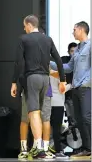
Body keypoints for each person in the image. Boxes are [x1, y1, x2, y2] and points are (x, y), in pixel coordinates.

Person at [11, 15, 65, 159]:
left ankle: (38, 147)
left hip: (32, 78)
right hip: (46, 79)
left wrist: (14, 82)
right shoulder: (47, 39)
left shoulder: (23, 39)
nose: (24, 29)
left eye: (24, 26)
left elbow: (19, 63)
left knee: (33, 112)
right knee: (45, 116)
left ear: (29, 25)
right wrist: (62, 80)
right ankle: (44, 148)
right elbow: (58, 59)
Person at [50, 21, 91, 158]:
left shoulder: (90, 46)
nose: (72, 32)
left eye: (74, 30)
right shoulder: (78, 48)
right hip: (76, 88)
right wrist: (48, 62)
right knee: (79, 119)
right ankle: (86, 148)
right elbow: (68, 67)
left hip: (86, 88)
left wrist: (87, 82)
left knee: (86, 118)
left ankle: (90, 146)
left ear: (81, 30)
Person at [18, 84, 54, 160]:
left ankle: (44, 148)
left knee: (45, 119)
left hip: (44, 86)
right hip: (29, 86)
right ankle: (24, 150)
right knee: (25, 118)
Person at [49, 72, 72, 159]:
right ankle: (58, 150)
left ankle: (46, 149)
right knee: (56, 128)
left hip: (48, 103)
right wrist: (71, 85)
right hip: (58, 103)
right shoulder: (60, 76)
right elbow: (62, 89)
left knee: (48, 128)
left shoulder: (47, 74)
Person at [61, 42, 77, 126]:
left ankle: (73, 124)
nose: (73, 53)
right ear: (68, 52)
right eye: (72, 51)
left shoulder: (81, 63)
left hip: (75, 92)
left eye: (75, 51)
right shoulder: (64, 60)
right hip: (63, 92)